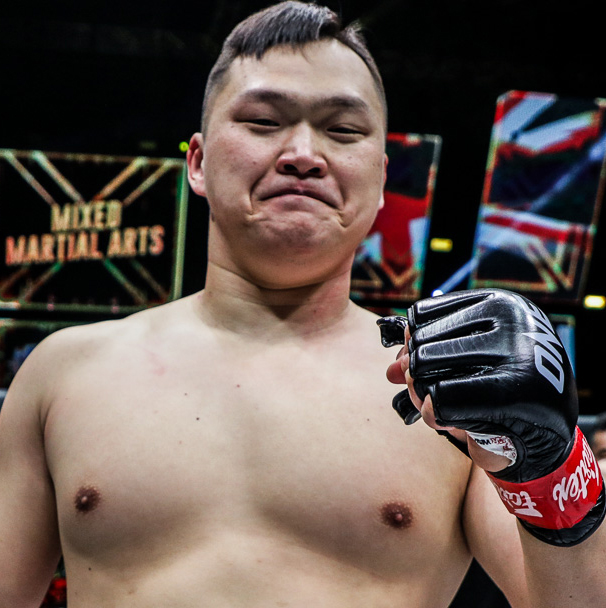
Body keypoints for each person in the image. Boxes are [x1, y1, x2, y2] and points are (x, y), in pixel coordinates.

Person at [1, 2, 605, 607]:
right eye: (263, 121)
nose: (303, 153)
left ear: (381, 180)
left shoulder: (449, 392)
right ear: (198, 162)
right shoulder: (62, 375)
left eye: (342, 130)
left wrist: (554, 469)